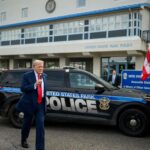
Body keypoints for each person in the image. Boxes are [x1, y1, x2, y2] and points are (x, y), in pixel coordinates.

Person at [16, 60, 47, 150]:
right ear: (34, 66)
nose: (41, 68)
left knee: (40, 127)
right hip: (29, 105)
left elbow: (44, 91)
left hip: (40, 105)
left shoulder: (45, 76)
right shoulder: (27, 75)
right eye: (39, 66)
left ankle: (40, 148)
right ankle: (23, 139)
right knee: (27, 124)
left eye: (42, 66)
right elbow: (23, 88)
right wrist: (34, 85)